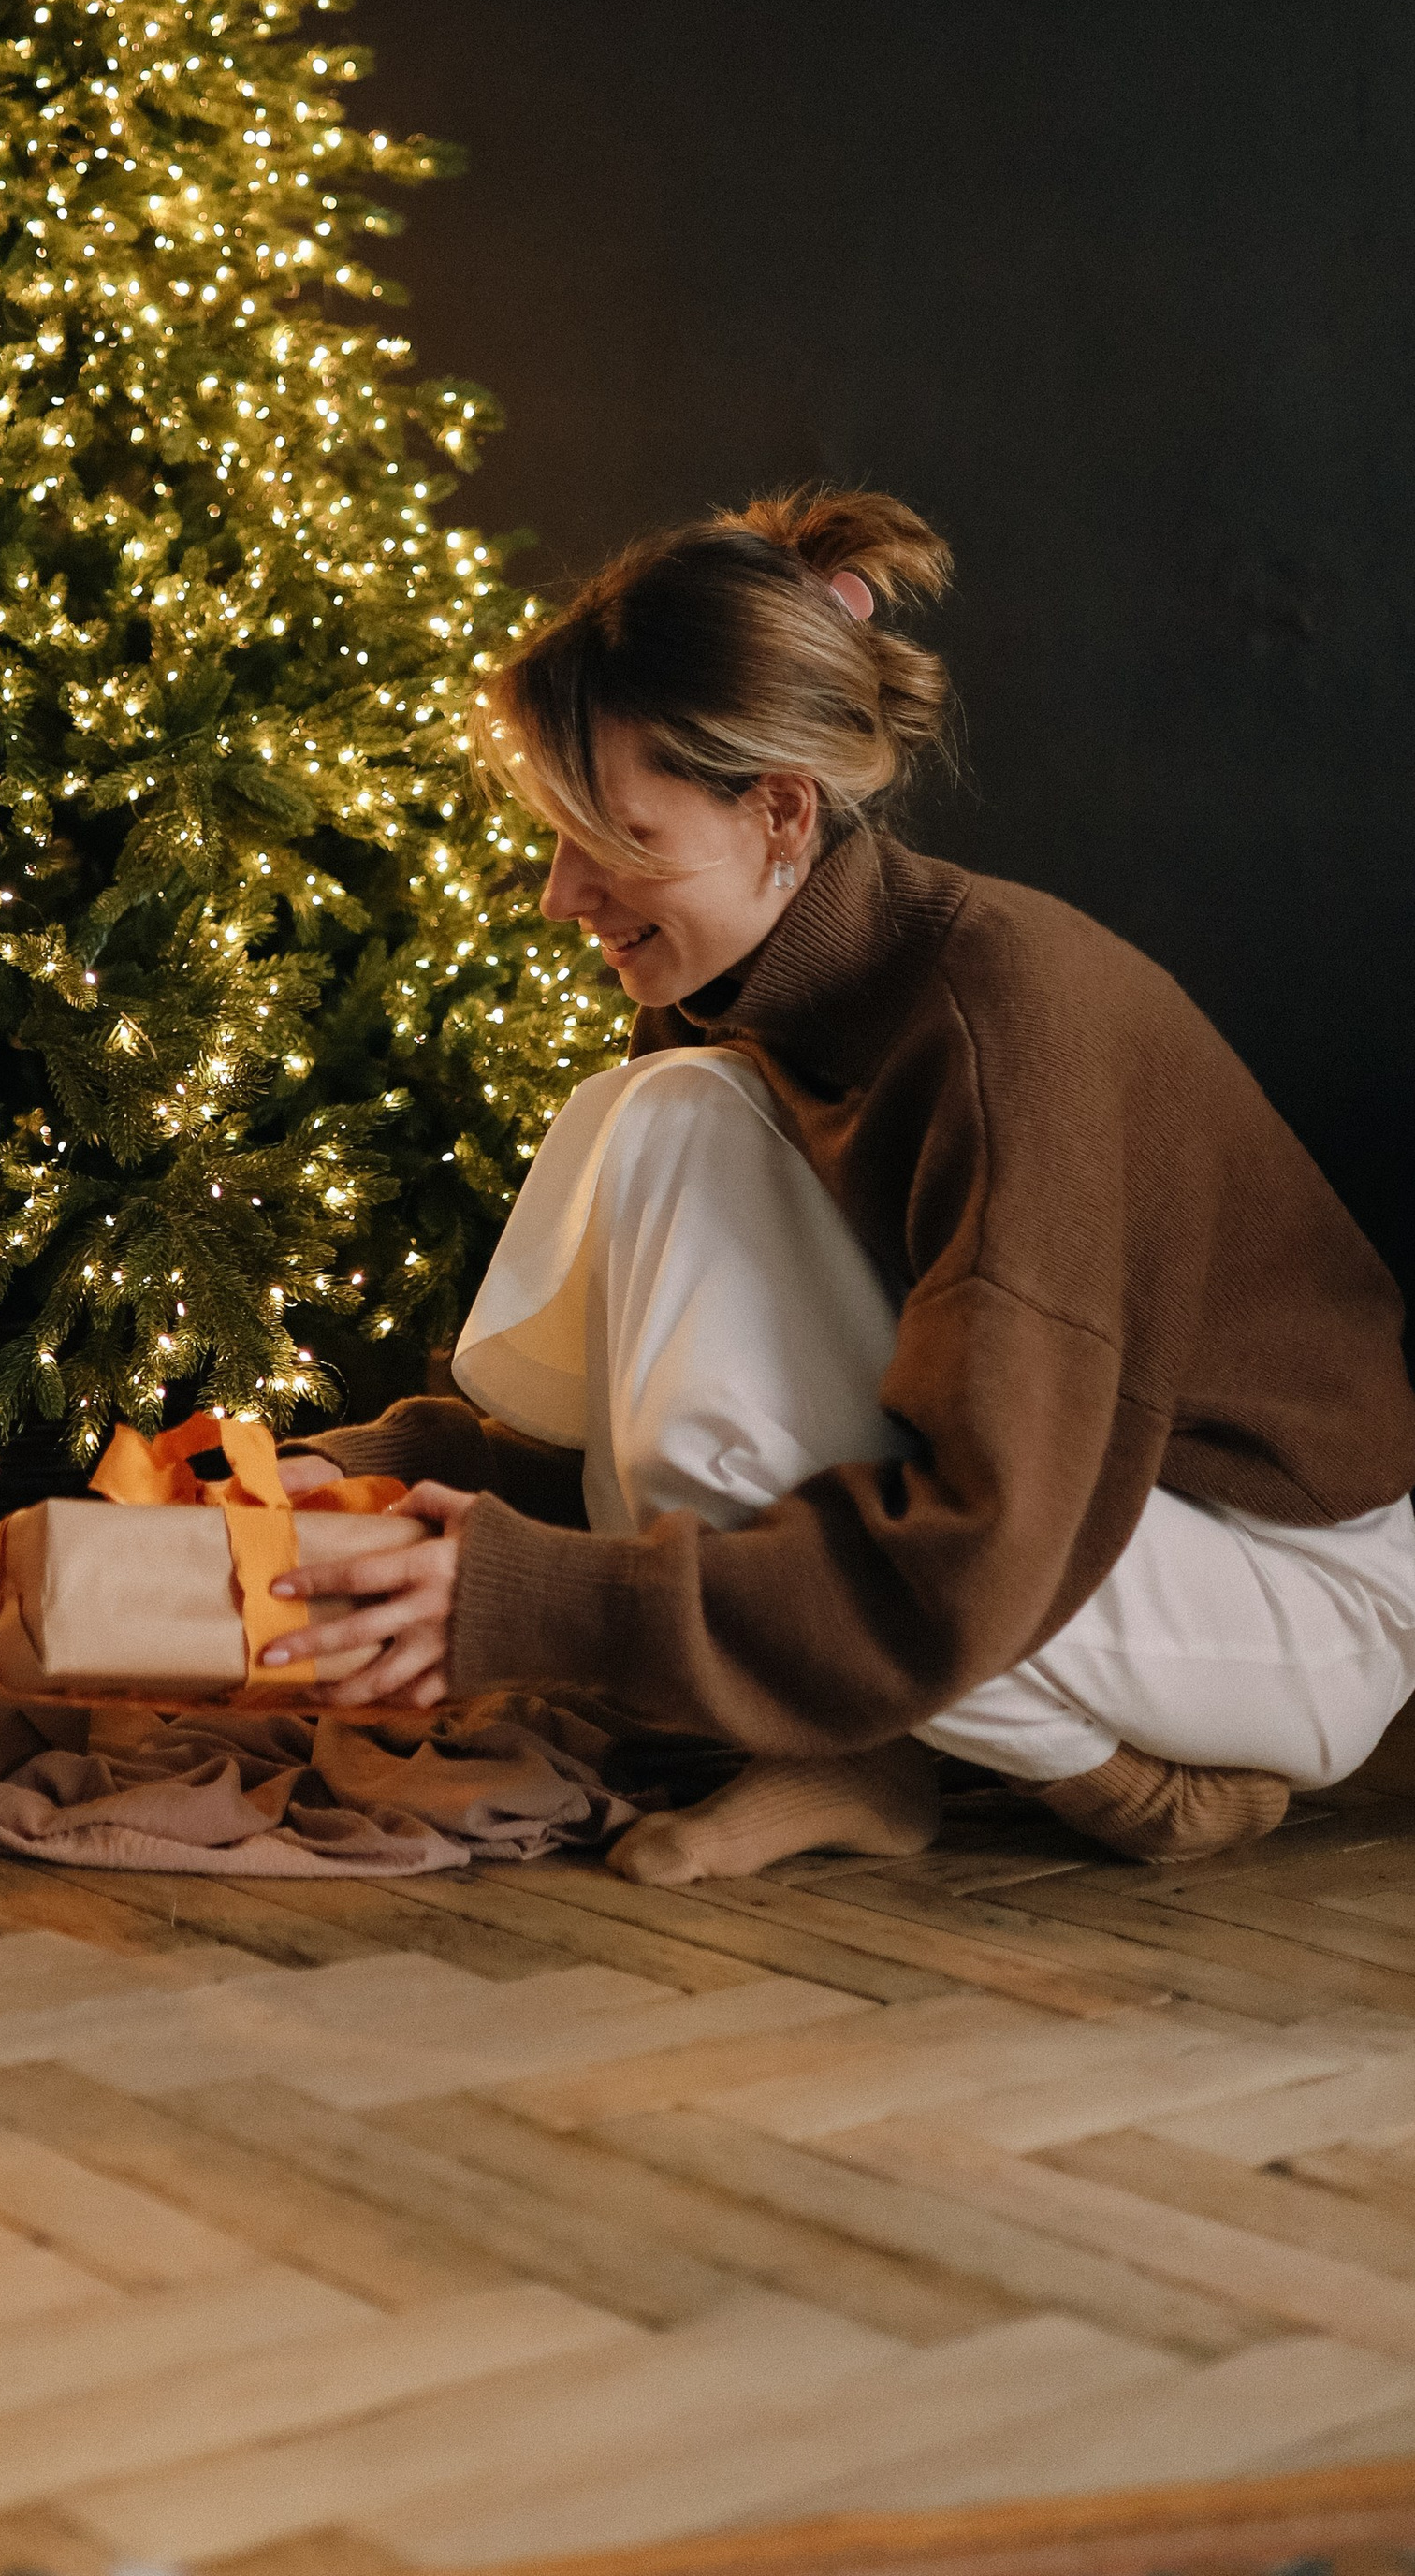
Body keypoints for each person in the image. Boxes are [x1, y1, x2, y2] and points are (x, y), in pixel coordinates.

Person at [261, 488, 1415, 1879]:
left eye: (615, 838)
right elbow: (654, 1419)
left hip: (1293, 1587)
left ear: (782, 814)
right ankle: (863, 1758)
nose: (565, 894)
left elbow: (971, 1549)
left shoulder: (998, 1020)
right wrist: (356, 1471)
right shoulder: (729, 1008)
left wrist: (528, 1604)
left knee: (738, 1414)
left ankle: (1126, 1782)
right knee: (670, 1112)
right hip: (1070, 1513)